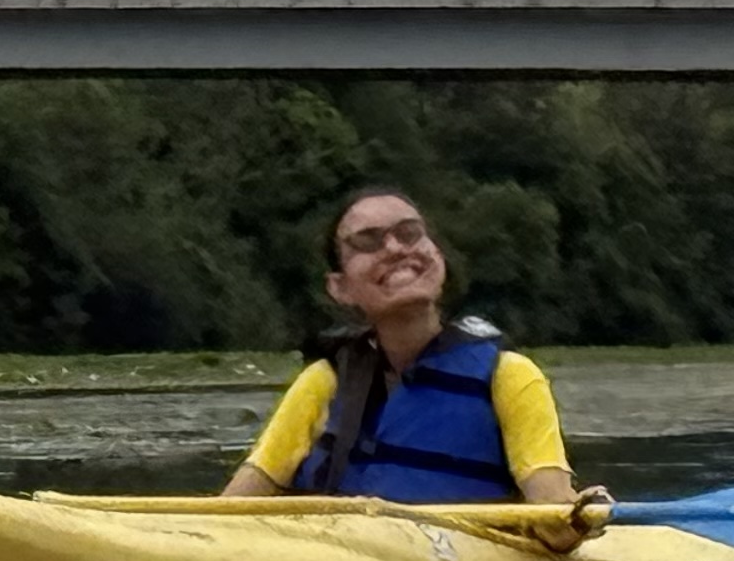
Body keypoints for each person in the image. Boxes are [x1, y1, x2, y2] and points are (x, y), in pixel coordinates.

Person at [222, 186, 584, 510]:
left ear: (437, 257)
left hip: (465, 555)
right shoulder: (324, 383)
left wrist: (575, 516)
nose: (395, 248)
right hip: (340, 555)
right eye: (367, 241)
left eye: (410, 233)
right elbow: (231, 510)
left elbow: (552, 512)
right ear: (339, 287)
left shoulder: (510, 377)